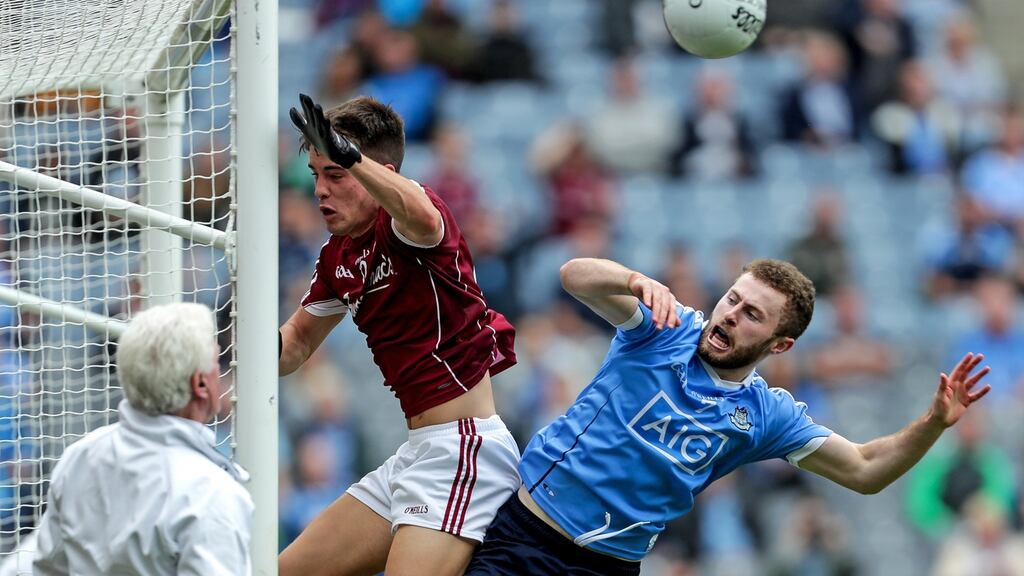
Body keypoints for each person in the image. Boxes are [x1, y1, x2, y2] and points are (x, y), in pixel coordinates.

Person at [465, 257, 991, 575]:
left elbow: (864, 468)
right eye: (733, 299)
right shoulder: (663, 329)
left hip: (610, 566)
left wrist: (932, 423)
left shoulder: (765, 414)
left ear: (780, 345)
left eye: (752, 315)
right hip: (528, 533)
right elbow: (574, 277)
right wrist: (633, 280)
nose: (731, 315)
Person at [278, 94, 519, 576]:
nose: (320, 191)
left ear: (377, 170)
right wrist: (218, 344)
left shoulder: (414, 220)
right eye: (316, 176)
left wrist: (355, 159)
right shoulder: (338, 256)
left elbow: (422, 216)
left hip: (464, 452)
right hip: (415, 454)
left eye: (336, 174)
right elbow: (296, 345)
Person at [32, 303, 253, 575]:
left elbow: (47, 569)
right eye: (216, 362)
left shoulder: (80, 455)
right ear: (201, 384)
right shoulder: (210, 493)